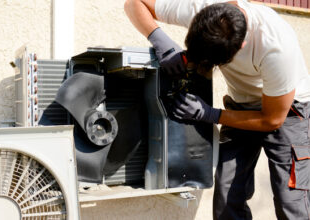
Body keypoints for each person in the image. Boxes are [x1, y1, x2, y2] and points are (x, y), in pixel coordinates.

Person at [124, 0, 310, 219]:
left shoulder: (277, 48)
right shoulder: (205, 11)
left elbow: (272, 119)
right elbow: (134, 3)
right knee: (227, 198)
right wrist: (158, 38)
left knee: (290, 203)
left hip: (287, 112)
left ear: (239, 47)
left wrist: (211, 114)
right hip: (240, 105)